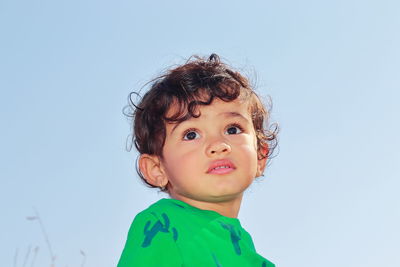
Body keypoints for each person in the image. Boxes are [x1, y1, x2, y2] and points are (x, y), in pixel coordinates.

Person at [118, 54, 278, 267]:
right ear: (157, 169)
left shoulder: (252, 257)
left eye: (232, 129)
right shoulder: (162, 226)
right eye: (191, 134)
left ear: (260, 156)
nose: (218, 145)